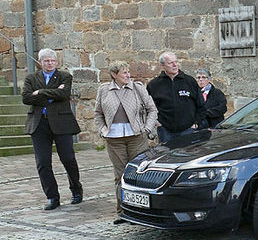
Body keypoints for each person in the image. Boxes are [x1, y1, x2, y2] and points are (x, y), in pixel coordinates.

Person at [94, 61, 158, 224]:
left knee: (139, 174)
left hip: (136, 136)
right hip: (114, 139)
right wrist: (102, 130)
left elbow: (152, 109)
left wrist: (147, 128)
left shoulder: (137, 88)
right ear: (114, 75)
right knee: (120, 175)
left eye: (128, 72)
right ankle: (123, 211)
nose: (128, 75)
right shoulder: (104, 90)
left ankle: (141, 211)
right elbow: (98, 114)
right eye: (124, 73)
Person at [22, 48, 83, 211]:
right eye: (46, 61)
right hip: (39, 123)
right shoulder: (31, 78)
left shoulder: (64, 76)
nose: (50, 63)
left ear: (57, 62)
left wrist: (40, 92)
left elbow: (64, 95)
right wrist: (53, 93)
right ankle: (52, 196)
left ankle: (76, 189)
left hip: (61, 122)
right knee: (43, 162)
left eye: (52, 61)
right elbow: (26, 98)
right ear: (40, 62)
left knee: (68, 159)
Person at [146, 52, 206, 142]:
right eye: (170, 63)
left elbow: (201, 104)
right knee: (167, 156)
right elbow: (148, 107)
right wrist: (158, 124)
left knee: (189, 156)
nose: (175, 65)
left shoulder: (190, 81)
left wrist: (196, 123)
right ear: (162, 66)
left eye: (176, 62)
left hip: (188, 130)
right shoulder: (154, 85)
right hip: (165, 131)